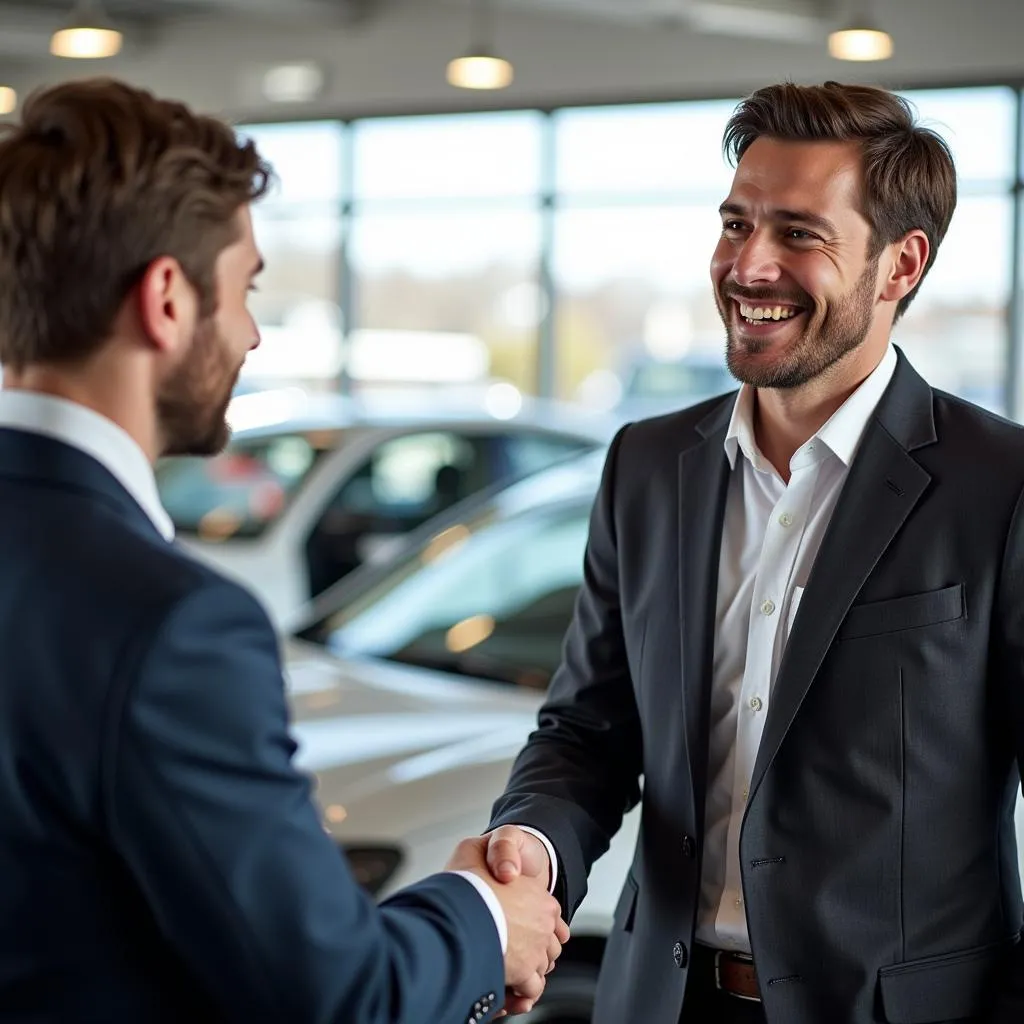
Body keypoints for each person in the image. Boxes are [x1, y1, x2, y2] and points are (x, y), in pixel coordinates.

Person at [0, 77, 567, 1023]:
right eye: (247, 288)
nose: (254, 333)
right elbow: (334, 994)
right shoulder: (171, 624)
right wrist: (484, 918)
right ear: (168, 301)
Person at [475, 81, 1024, 1023]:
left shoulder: (1002, 486)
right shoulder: (646, 464)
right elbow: (587, 730)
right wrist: (534, 846)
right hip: (659, 1000)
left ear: (900, 265)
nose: (749, 266)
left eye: (800, 234)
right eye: (736, 224)